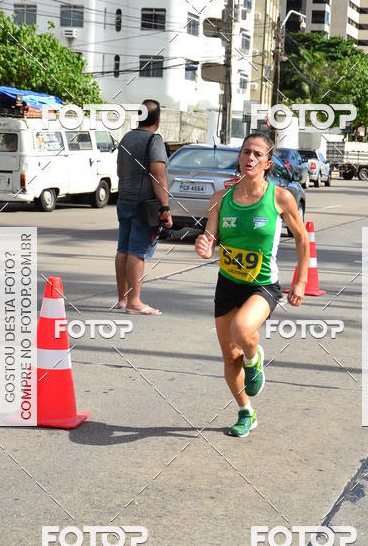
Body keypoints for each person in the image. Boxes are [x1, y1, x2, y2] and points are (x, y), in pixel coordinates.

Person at [195, 133, 309, 437]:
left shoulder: (280, 197)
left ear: (268, 162)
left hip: (263, 286)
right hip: (228, 283)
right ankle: (246, 411)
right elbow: (211, 237)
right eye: (246, 152)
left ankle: (254, 358)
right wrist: (206, 245)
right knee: (229, 356)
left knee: (243, 330)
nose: (250, 158)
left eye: (258, 154)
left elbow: (301, 237)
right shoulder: (221, 198)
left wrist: (301, 280)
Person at [114, 99, 173, 315]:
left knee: (123, 249)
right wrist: (165, 208)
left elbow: (120, 171)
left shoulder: (127, 137)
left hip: (124, 200)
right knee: (137, 251)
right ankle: (135, 302)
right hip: (144, 205)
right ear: (157, 120)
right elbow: (158, 175)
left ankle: (123, 299)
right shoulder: (154, 140)